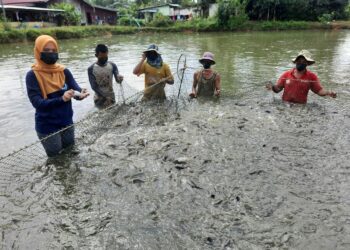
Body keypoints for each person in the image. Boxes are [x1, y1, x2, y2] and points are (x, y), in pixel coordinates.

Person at [26, 35, 89, 157]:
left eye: (54, 51)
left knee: (70, 152)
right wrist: (62, 99)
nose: (51, 53)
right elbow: (37, 103)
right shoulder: (32, 75)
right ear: (38, 52)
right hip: (47, 126)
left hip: (66, 122)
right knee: (56, 159)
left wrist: (81, 93)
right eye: (47, 50)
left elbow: (74, 88)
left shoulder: (63, 71)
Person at [266, 50, 336, 104]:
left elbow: (319, 91)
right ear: (296, 61)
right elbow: (277, 89)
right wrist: (272, 86)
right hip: (285, 104)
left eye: (303, 61)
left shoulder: (311, 77)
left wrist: (328, 92)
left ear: (307, 63)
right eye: (299, 61)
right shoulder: (286, 74)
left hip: (301, 107)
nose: (301, 62)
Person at [88, 44, 123, 108]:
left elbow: (118, 80)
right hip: (99, 99)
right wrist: (105, 97)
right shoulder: (91, 68)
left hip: (111, 97)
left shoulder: (112, 65)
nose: (104, 59)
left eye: (106, 57)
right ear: (96, 55)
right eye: (102, 57)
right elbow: (94, 86)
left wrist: (120, 78)